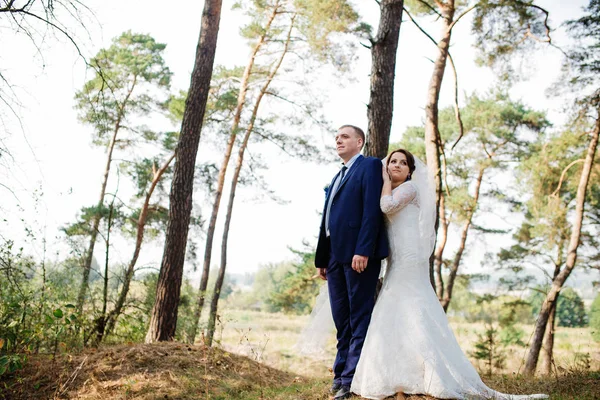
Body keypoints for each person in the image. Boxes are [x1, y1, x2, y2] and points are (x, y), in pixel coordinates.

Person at [349, 148, 548, 400]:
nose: (396, 165)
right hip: (396, 258)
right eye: (392, 162)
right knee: (395, 309)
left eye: (402, 163)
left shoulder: (409, 190)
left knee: (410, 307)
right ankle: (398, 378)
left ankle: (429, 375)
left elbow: (386, 206)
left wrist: (385, 180)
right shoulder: (390, 189)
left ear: (410, 171)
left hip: (410, 258)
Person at [314, 124, 389, 400]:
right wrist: (323, 258)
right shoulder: (337, 176)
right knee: (341, 318)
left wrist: (364, 250)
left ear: (360, 141)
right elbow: (326, 221)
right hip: (334, 256)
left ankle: (351, 379)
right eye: (336, 138)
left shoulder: (368, 166)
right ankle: (339, 372)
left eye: (344, 136)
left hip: (358, 256)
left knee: (359, 317)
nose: (338, 141)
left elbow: (371, 211)